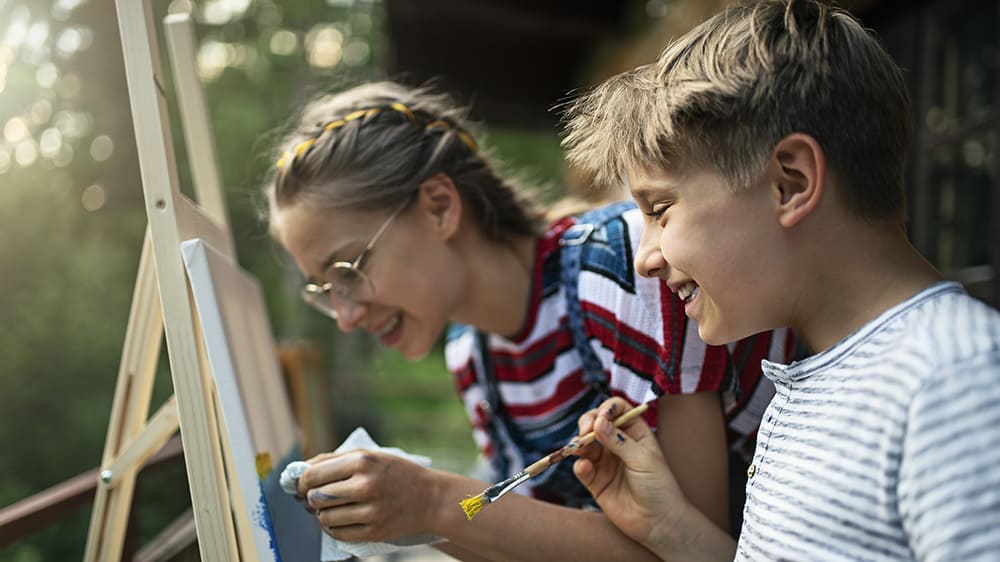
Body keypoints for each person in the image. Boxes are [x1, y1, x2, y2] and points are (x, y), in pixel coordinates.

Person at [261, 81, 795, 561]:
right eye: (327, 292)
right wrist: (405, 516)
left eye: (350, 270)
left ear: (440, 207)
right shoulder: (472, 355)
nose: (348, 317)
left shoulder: (620, 267)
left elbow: (684, 543)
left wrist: (430, 500)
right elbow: (526, 539)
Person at [560, 0, 1000, 560]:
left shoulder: (953, 380)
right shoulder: (807, 384)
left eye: (661, 208)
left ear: (790, 183)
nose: (645, 258)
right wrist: (668, 527)